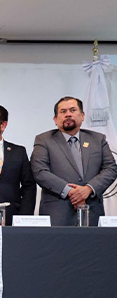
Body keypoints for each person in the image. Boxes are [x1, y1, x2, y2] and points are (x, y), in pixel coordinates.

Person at [30, 96, 117, 226]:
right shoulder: (43, 140)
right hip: (57, 216)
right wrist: (72, 192)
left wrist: (88, 189)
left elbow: (111, 168)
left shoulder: (98, 139)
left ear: (82, 116)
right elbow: (40, 172)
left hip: (92, 213)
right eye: (63, 111)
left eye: (72, 110)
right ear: (55, 119)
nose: (68, 114)